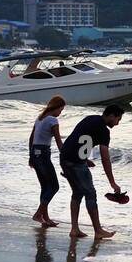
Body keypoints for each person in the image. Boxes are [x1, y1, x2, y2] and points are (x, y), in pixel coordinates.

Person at [57, 103, 125, 240]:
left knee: (77, 192)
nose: (117, 123)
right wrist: (112, 182)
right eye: (118, 119)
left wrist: (85, 159)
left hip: (65, 158)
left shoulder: (90, 119)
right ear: (111, 116)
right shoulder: (104, 131)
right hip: (75, 162)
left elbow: (77, 139)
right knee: (90, 193)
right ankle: (98, 230)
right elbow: (105, 158)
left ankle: (74, 229)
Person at [28, 95, 66, 228]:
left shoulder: (39, 119)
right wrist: (68, 156)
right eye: (60, 110)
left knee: (45, 187)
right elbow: (59, 142)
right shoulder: (52, 120)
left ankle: (45, 217)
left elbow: (31, 138)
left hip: (35, 153)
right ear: (56, 107)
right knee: (54, 186)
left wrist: (30, 156)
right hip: (43, 154)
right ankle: (39, 214)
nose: (60, 114)